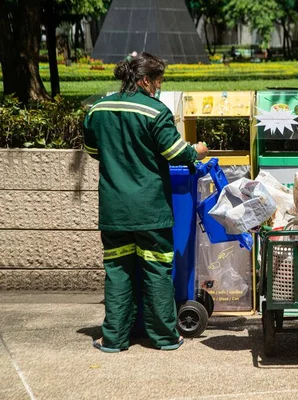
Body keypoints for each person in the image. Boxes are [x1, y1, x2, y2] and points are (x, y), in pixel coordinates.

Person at [83, 52, 209, 353]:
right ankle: (165, 337)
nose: (159, 87)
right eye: (158, 82)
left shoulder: (96, 109)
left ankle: (113, 338)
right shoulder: (155, 111)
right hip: (151, 209)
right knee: (157, 269)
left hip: (114, 210)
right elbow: (176, 153)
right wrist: (198, 150)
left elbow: (92, 150)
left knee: (118, 270)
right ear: (144, 81)